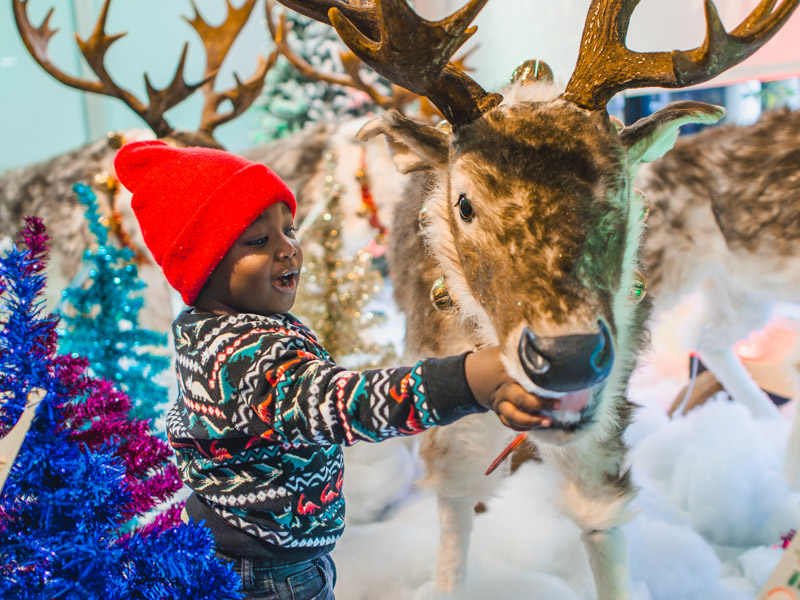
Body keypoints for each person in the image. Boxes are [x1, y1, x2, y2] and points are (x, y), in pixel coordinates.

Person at [114, 140, 555, 600]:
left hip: (263, 544)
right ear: (203, 266)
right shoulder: (243, 356)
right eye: (259, 241)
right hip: (267, 570)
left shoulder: (217, 329)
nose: (287, 250)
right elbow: (342, 403)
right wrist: (465, 380)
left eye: (289, 231)